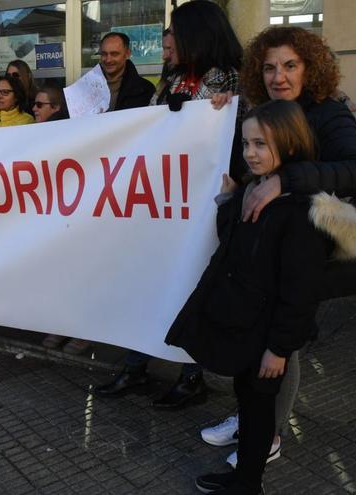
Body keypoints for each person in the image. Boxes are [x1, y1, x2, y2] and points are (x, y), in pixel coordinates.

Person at [166, 99, 356, 495]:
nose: (250, 153)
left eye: (261, 144)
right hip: (244, 323)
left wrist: (278, 348)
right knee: (249, 402)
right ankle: (245, 478)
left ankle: (249, 482)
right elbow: (236, 240)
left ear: (290, 144)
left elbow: (300, 292)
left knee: (259, 409)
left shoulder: (302, 212)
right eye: (246, 144)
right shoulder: (255, 190)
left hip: (265, 333)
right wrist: (229, 200)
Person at [201, 24, 356, 474]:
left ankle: (270, 434)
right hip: (265, 242)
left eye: (290, 65)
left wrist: (285, 180)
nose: (279, 75)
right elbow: (247, 157)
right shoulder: (267, 109)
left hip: (304, 243)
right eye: (270, 67)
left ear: (310, 67)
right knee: (261, 334)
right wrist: (220, 110)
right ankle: (252, 420)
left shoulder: (330, 112)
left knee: (284, 342)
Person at [94, 0, 244, 409]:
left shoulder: (230, 81)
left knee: (189, 285)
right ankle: (135, 365)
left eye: (173, 36)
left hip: (200, 208)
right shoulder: (173, 79)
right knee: (147, 285)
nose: (165, 47)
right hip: (160, 203)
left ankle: (190, 375)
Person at [97, 32, 156, 111]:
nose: (108, 60)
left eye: (114, 54)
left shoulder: (145, 90)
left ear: (127, 54)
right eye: (104, 54)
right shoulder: (86, 87)